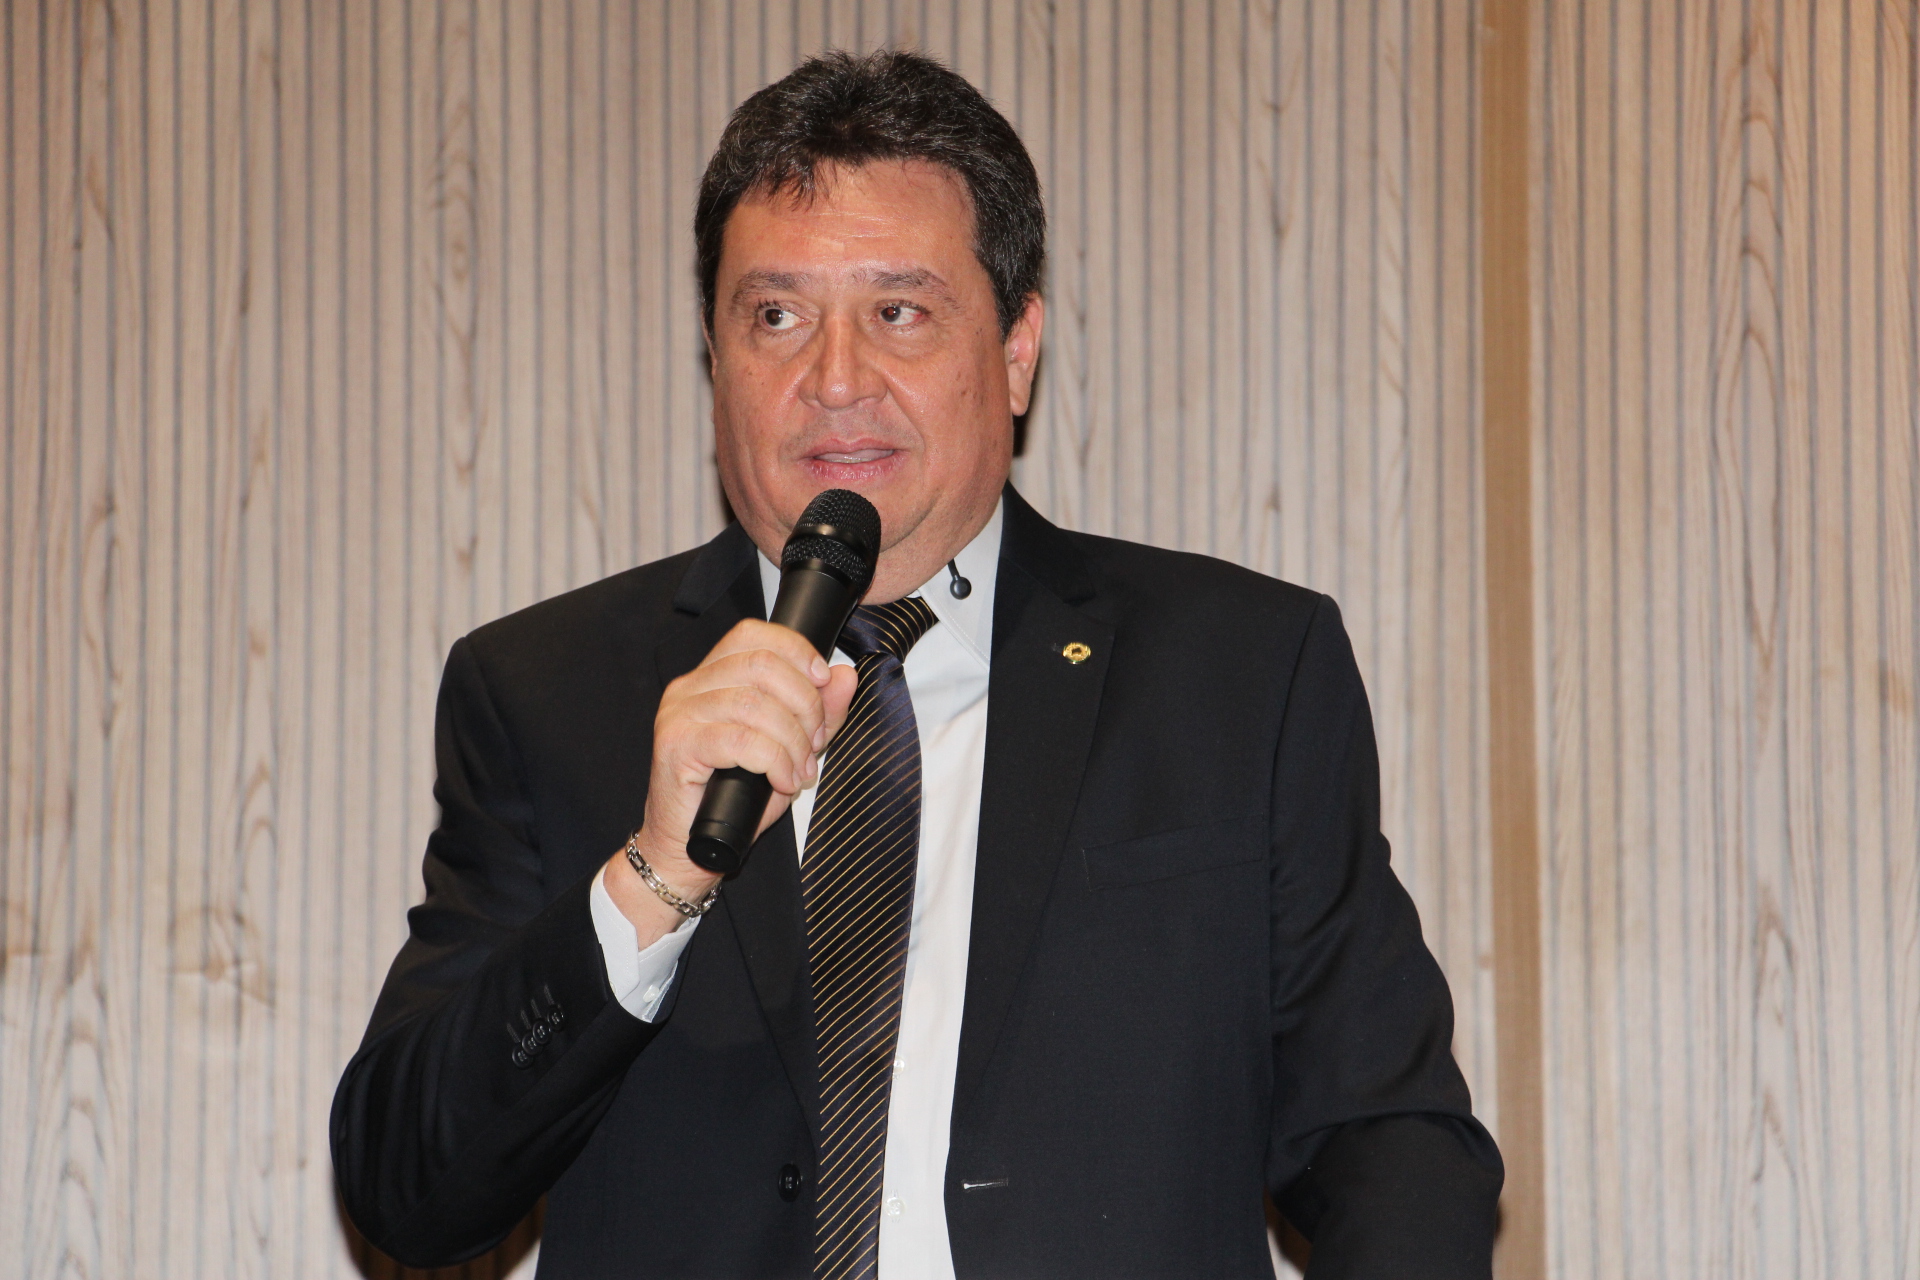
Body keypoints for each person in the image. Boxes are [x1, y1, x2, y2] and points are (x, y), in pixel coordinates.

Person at [330, 49, 1502, 1280]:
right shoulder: (547, 692)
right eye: (776, 316)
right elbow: (410, 1189)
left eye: (899, 311)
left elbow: (1389, 1137)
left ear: (1016, 349)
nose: (835, 381)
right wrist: (654, 876)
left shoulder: (1239, 677)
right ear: (717, 356)